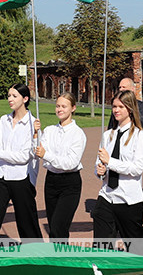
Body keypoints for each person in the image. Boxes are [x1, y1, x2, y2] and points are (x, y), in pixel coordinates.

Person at [0, 83, 41, 240]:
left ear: (25, 98)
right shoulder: (4, 120)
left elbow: (23, 157)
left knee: (27, 225)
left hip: (21, 178)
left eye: (14, 96)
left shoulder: (33, 125)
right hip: (0, 175)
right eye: (9, 95)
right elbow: (0, 146)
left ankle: (37, 256)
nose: (10, 99)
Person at [93, 90, 143, 253]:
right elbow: (99, 164)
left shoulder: (139, 136)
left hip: (128, 199)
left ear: (130, 109)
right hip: (107, 195)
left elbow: (137, 168)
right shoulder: (107, 135)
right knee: (101, 245)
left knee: (137, 247)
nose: (116, 110)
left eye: (120, 107)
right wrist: (100, 170)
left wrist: (110, 162)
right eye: (114, 107)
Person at [35, 92, 87, 240]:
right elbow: (37, 151)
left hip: (70, 183)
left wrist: (47, 155)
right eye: (58, 106)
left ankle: (62, 258)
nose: (60, 109)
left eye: (64, 106)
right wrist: (34, 133)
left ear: (73, 108)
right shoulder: (50, 130)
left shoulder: (78, 134)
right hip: (51, 181)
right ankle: (57, 258)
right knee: (53, 226)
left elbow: (70, 162)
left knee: (59, 226)